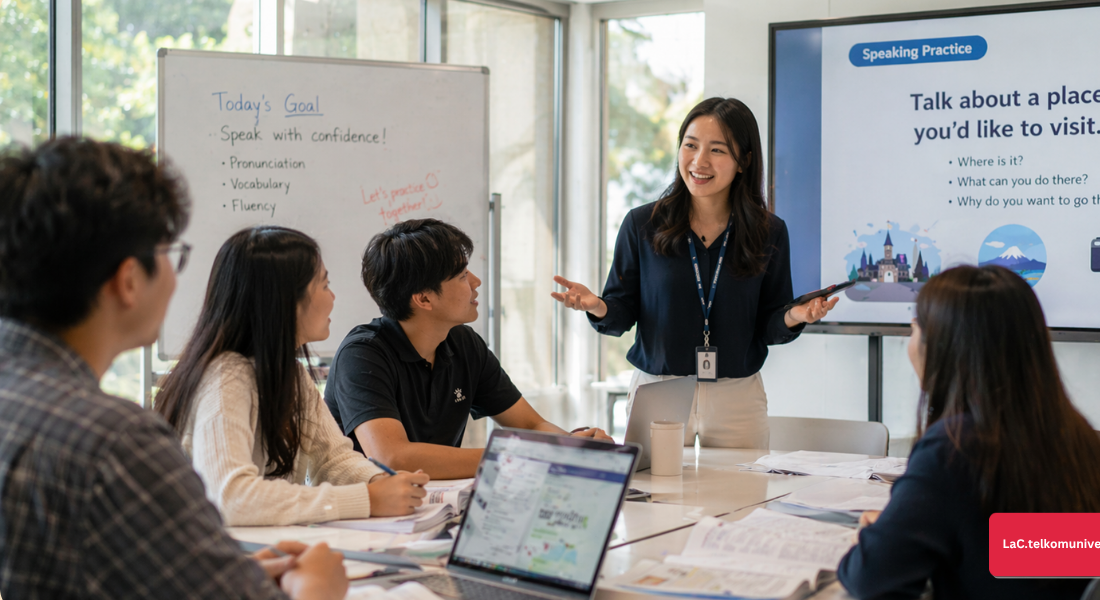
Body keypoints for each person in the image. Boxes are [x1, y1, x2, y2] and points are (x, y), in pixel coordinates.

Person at [0, 137, 346, 599]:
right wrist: (316, 588)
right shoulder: (115, 441)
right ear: (128, 281)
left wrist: (213, 572)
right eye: (169, 254)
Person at [552, 97, 835, 449]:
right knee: (653, 498)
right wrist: (597, 305)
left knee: (743, 498)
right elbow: (620, 313)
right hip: (658, 390)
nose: (699, 162)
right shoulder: (643, 224)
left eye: (717, 150)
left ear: (744, 161)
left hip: (737, 397)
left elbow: (768, 325)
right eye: (690, 145)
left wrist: (796, 315)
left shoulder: (769, 231)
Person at [838, 265, 1100, 599]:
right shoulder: (1077, 434)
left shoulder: (954, 447)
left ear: (943, 346)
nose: (910, 341)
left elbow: (871, 579)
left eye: (915, 327)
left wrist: (873, 540)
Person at [154, 226, 429, 526]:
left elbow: (333, 461)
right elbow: (231, 497)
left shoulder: (290, 374)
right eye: (324, 285)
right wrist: (368, 499)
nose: (333, 297)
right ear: (286, 300)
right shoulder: (226, 376)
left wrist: (381, 481)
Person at [325, 219, 610, 480]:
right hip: (364, 520)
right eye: (462, 276)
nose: (476, 282)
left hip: (436, 507)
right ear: (424, 298)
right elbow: (393, 457)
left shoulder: (463, 343)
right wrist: (523, 456)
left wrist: (577, 448)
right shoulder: (362, 354)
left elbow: (531, 425)